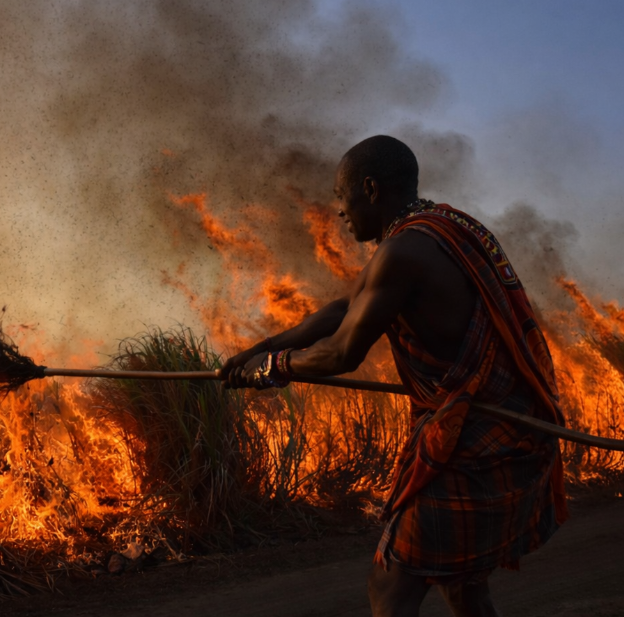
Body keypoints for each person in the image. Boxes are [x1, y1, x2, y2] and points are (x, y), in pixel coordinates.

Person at [220, 135, 568, 617]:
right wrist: (267, 345)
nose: (338, 211)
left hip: (474, 442)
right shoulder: (441, 227)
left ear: (370, 188)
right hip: (497, 430)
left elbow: (343, 352)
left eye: (342, 197)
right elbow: (347, 306)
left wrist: (273, 372)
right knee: (461, 585)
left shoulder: (404, 251)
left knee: (392, 586)